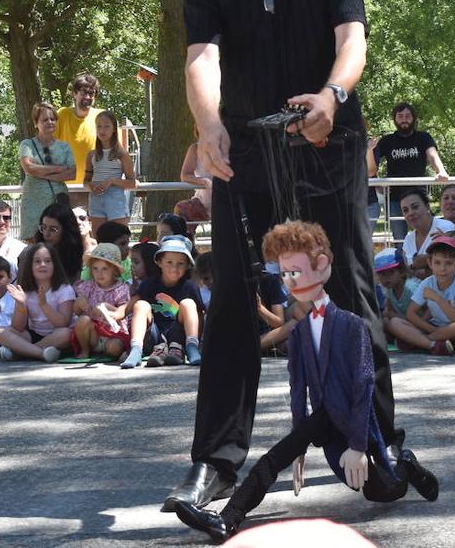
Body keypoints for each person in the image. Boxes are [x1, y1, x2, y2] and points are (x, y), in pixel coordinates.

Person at [174, 0, 408, 511]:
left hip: (326, 140)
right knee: (231, 309)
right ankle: (214, 464)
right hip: (242, 145)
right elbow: (200, 58)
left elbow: (352, 39)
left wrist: (334, 97)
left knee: (354, 295)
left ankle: (374, 440)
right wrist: (208, 125)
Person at [173, 221, 437, 544]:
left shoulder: (352, 326)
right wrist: (298, 441)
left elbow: (364, 384)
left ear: (322, 267)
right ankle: (227, 520)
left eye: (295, 272)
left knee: (382, 490)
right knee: (273, 459)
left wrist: (356, 445)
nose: (289, 281)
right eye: (284, 274)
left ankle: (406, 466)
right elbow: (297, 387)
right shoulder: (298, 333)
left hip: (352, 424)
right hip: (322, 418)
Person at [370, 103, 450, 243]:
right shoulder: (387, 141)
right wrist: (377, 183)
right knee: (399, 240)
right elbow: (371, 164)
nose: (404, 120)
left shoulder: (423, 138)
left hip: (419, 195)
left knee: (427, 236)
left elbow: (432, 155)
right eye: (400, 116)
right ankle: (403, 264)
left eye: (407, 116)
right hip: (394, 198)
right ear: (394, 119)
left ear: (414, 118)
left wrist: (441, 171)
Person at [120, 235, 203, 369]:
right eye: (169, 262)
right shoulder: (149, 284)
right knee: (141, 305)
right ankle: (136, 349)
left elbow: (199, 315)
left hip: (179, 334)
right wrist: (115, 313)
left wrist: (197, 339)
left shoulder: (190, 286)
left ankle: (191, 347)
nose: (174, 268)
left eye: (180, 263)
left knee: (188, 303)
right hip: (154, 335)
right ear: (159, 262)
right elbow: (129, 306)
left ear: (188, 265)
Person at [389, 236, 455, 355]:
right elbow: (410, 313)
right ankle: (434, 345)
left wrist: (436, 298)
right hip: (435, 327)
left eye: (448, 263)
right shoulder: (428, 282)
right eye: (437, 263)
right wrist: (433, 330)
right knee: (395, 322)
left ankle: (418, 342)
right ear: (430, 263)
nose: (442, 269)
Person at [0, 242, 74, 362]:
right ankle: (41, 354)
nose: (42, 265)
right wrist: (21, 304)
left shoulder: (64, 289)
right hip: (33, 334)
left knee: (66, 334)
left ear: (55, 265)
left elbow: (63, 323)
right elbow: (18, 327)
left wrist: (44, 304)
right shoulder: (25, 289)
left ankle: (21, 352)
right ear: (30, 266)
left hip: (56, 335)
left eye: (47, 261)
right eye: (37, 261)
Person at [18, 103, 76, 239]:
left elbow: (72, 173)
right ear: (35, 123)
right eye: (45, 120)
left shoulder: (64, 146)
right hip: (33, 201)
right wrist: (58, 169)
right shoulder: (27, 144)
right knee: (34, 240)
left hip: (58, 200)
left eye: (52, 119)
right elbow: (28, 167)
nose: (50, 122)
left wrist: (40, 172)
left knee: (61, 240)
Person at [71, 243, 132, 360]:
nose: (99, 273)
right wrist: (80, 304)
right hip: (92, 333)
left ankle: (115, 351)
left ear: (115, 271)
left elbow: (123, 311)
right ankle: (85, 350)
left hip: (113, 333)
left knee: (114, 348)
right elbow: (76, 311)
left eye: (104, 269)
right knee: (83, 320)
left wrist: (109, 309)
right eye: (95, 268)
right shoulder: (88, 286)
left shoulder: (121, 289)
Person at [84, 110, 136, 235]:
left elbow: (132, 183)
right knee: (99, 239)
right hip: (96, 199)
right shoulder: (92, 155)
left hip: (115, 200)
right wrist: (91, 186)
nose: (102, 130)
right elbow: (86, 181)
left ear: (114, 129)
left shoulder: (122, 154)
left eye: (106, 126)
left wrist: (112, 181)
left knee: (119, 238)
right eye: (99, 126)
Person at [55, 73, 102, 207]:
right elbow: (48, 146)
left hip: (94, 188)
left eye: (91, 93)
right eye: (84, 92)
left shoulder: (102, 117)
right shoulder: (62, 114)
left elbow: (115, 150)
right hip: (65, 188)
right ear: (74, 94)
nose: (87, 97)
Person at [397, 187, 455, 274]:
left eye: (415, 207)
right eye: (405, 210)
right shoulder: (408, 239)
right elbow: (408, 271)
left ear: (427, 207)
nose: (410, 213)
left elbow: (445, 266)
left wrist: (418, 265)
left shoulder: (445, 227)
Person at [175, 130, 214, 234]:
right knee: (181, 209)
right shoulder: (195, 148)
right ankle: (185, 245)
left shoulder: (229, 146)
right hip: (203, 202)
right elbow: (185, 175)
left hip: (227, 201)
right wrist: (203, 181)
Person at [35, 203, 86, 280]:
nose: (46, 234)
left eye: (53, 229)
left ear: (66, 231)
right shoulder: (32, 253)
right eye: (43, 227)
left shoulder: (73, 255)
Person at [375, 249, 419, 324]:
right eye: (381, 274)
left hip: (423, 324)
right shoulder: (389, 289)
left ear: (402, 271)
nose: (386, 278)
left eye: (390, 272)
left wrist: (390, 314)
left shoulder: (411, 289)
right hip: (407, 324)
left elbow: (428, 311)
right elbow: (389, 309)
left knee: (393, 322)